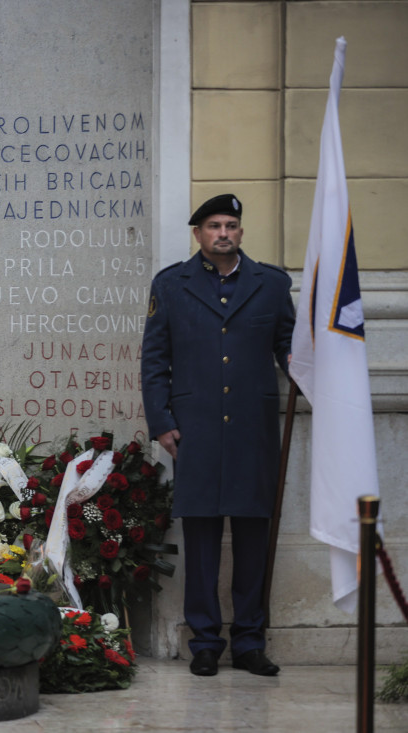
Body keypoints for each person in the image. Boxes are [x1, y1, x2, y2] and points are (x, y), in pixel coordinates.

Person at [141, 193, 294, 677]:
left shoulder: (271, 284)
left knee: (253, 535)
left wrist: (302, 361)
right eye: (213, 225)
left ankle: (250, 641)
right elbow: (154, 360)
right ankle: (204, 641)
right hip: (196, 431)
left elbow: (288, 343)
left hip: (253, 430)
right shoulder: (171, 285)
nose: (223, 232)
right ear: (198, 234)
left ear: (241, 232)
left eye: (231, 224)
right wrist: (162, 422)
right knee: (202, 535)